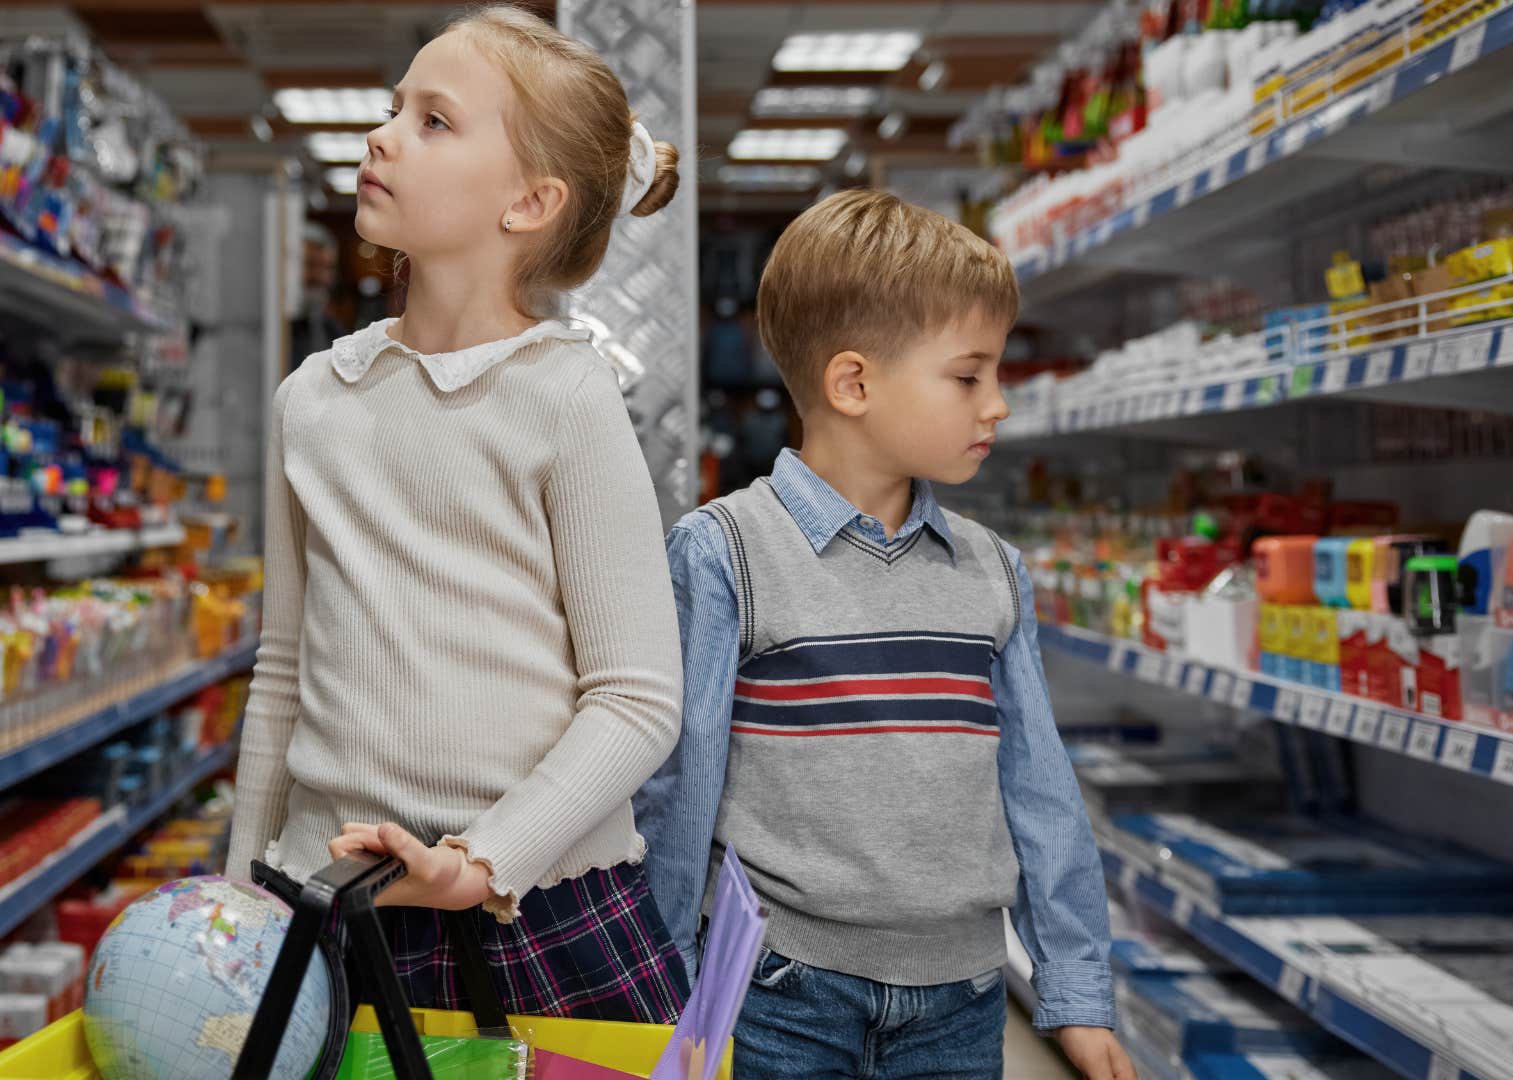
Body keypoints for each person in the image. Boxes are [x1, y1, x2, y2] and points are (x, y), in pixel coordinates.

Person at [225, 5, 692, 1024]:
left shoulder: (564, 395)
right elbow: (284, 673)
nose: (382, 135)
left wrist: (482, 861)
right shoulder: (312, 397)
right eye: (394, 109)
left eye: (434, 121)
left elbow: (638, 698)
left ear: (529, 201)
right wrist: (238, 894)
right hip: (331, 906)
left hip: (534, 913)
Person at [636, 189, 1136, 1080]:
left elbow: (1040, 791)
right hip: (780, 996)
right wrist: (658, 993)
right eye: (969, 375)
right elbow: (680, 790)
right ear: (854, 383)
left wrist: (1076, 987)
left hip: (964, 1001)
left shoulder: (991, 571)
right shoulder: (726, 555)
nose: (1000, 406)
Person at [288, 222, 347, 369]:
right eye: (311, 265)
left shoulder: (332, 331)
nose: (321, 277)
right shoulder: (272, 328)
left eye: (327, 267)